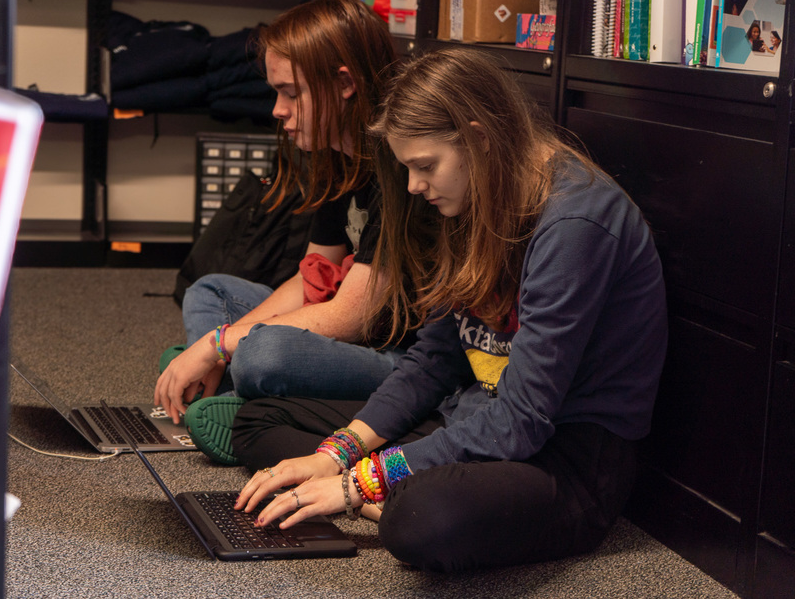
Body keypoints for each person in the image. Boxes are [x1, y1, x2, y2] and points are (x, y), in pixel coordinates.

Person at [230, 48, 668, 573]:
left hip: (564, 460)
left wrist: (356, 483)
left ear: (480, 139)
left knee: (420, 518)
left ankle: (390, 493)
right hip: (477, 415)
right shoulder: (471, 194)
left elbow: (523, 422)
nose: (414, 185)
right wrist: (338, 454)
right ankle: (383, 484)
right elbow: (432, 361)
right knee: (258, 421)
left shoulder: (577, 223)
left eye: (424, 166)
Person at [153, 0, 411, 465]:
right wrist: (228, 337)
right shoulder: (341, 159)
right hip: (344, 333)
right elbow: (312, 278)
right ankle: (226, 385)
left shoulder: (400, 170)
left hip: (392, 358)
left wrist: (219, 343)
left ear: (345, 84)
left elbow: (349, 318)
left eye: (291, 93)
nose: (277, 109)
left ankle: (237, 393)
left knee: (261, 353)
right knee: (208, 290)